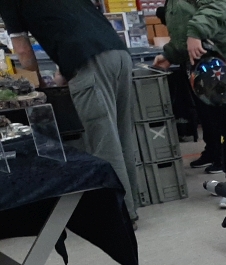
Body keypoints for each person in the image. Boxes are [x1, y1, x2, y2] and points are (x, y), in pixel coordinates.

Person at [0, 0, 142, 223]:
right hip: (119, 54)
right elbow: (74, 23)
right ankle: (131, 206)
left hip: (89, 62)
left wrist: (37, 79)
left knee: (104, 142)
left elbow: (25, 54)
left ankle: (120, 216)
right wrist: (63, 69)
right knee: (123, 136)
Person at [152, 0, 226, 175]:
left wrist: (196, 33)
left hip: (224, 57)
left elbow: (215, 6)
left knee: (225, 114)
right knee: (207, 113)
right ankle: (214, 152)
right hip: (202, 59)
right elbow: (182, 27)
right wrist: (170, 55)